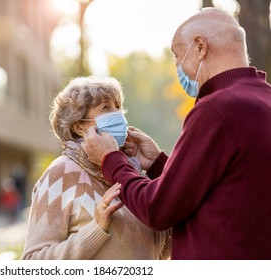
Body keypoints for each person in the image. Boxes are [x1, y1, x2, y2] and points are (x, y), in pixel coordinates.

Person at [81, 8, 271, 260]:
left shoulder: (217, 109)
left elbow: (158, 210)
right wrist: (159, 163)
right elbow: (216, 189)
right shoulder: (263, 98)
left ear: (200, 47)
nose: (178, 67)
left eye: (177, 55)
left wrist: (110, 159)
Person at [22, 76, 171, 260]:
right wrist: (95, 230)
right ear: (78, 127)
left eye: (118, 106)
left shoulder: (132, 170)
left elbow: (165, 246)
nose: (118, 114)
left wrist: (158, 165)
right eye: (106, 107)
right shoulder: (61, 174)